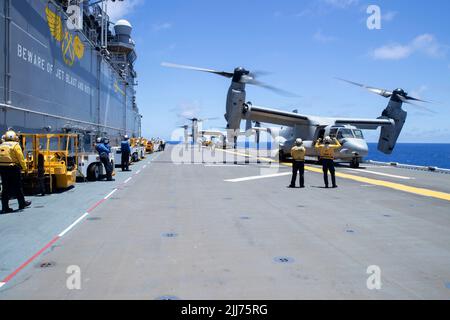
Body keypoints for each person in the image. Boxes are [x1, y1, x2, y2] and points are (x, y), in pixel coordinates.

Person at [0, 130, 31, 213]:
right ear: (15, 137)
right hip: (13, 168)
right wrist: (25, 168)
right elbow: (20, 157)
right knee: (18, 186)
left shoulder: (1, 145)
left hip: (2, 168)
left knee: (5, 188)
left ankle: (5, 207)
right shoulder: (16, 145)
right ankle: (22, 204)